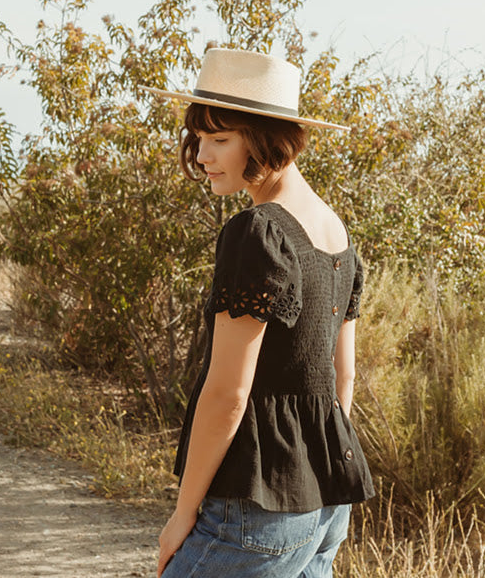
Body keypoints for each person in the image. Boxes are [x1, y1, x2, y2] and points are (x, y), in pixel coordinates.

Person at [141, 48, 374, 578]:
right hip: (323, 503)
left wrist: (183, 514)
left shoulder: (259, 231)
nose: (202, 155)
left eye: (220, 139)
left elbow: (228, 395)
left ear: (269, 138)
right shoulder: (335, 232)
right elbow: (344, 378)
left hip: (254, 509)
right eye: (199, 138)